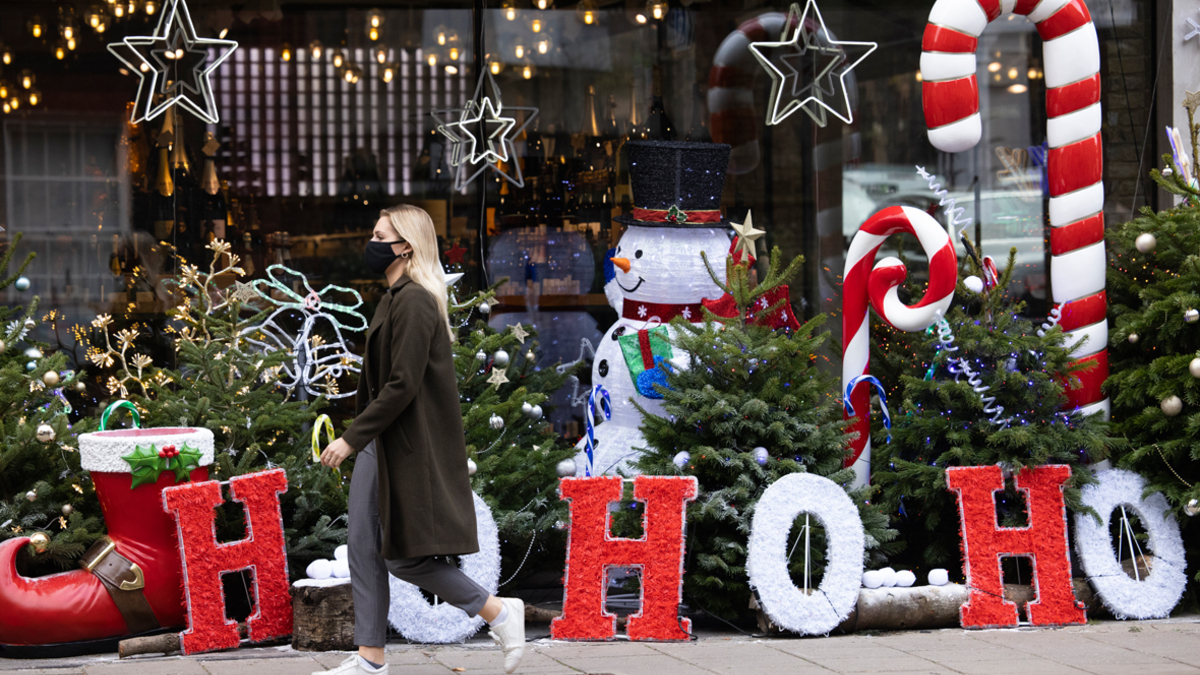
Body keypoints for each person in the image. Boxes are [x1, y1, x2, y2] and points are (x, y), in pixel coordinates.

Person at [316, 205, 526, 675]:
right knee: (363, 547)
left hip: (402, 446)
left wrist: (350, 439)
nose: (369, 243)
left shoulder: (413, 300)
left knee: (405, 559)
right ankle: (371, 659)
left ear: (405, 245)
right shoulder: (393, 297)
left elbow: (402, 384)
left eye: (378, 234)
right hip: (384, 441)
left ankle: (496, 611)